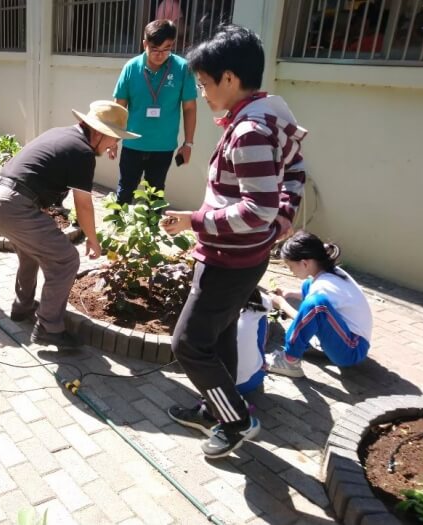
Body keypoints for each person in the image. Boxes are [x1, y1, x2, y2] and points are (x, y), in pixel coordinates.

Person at [160, 24, 307, 458]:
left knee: (187, 344)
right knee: (218, 337)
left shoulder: (249, 132)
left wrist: (195, 221)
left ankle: (237, 420)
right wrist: (282, 217)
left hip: (229, 260)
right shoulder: (271, 115)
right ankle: (215, 407)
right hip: (247, 257)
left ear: (229, 78)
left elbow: (254, 209)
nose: (202, 94)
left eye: (205, 84)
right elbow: (295, 172)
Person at [0, 101, 138, 350]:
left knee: (31, 254)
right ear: (98, 132)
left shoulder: (61, 134)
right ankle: (48, 327)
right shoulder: (82, 151)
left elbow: (36, 172)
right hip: (14, 205)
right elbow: (84, 205)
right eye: (114, 139)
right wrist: (93, 239)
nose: (114, 146)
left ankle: (22, 307)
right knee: (66, 260)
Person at [112, 19, 197, 205]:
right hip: (132, 144)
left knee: (155, 195)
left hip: (163, 146)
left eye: (166, 49)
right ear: (144, 44)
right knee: (125, 191)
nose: (160, 55)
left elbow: (189, 108)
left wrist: (188, 144)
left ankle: (151, 232)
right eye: (154, 49)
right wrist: (112, 139)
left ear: (172, 44)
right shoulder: (131, 68)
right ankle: (117, 229)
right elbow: (119, 106)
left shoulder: (182, 68)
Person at [266, 231, 373, 378]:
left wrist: (282, 304)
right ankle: (312, 344)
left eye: (291, 267)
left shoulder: (323, 287)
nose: (291, 272)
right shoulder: (330, 272)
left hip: (352, 351)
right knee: (308, 286)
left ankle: (289, 361)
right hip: (350, 340)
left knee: (315, 305)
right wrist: (288, 293)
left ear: (304, 263)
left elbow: (305, 317)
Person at [168, 288, 271, 436]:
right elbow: (260, 342)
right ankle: (231, 410)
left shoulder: (212, 305)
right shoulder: (263, 300)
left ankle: (214, 416)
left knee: (198, 350)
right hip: (251, 380)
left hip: (217, 384)